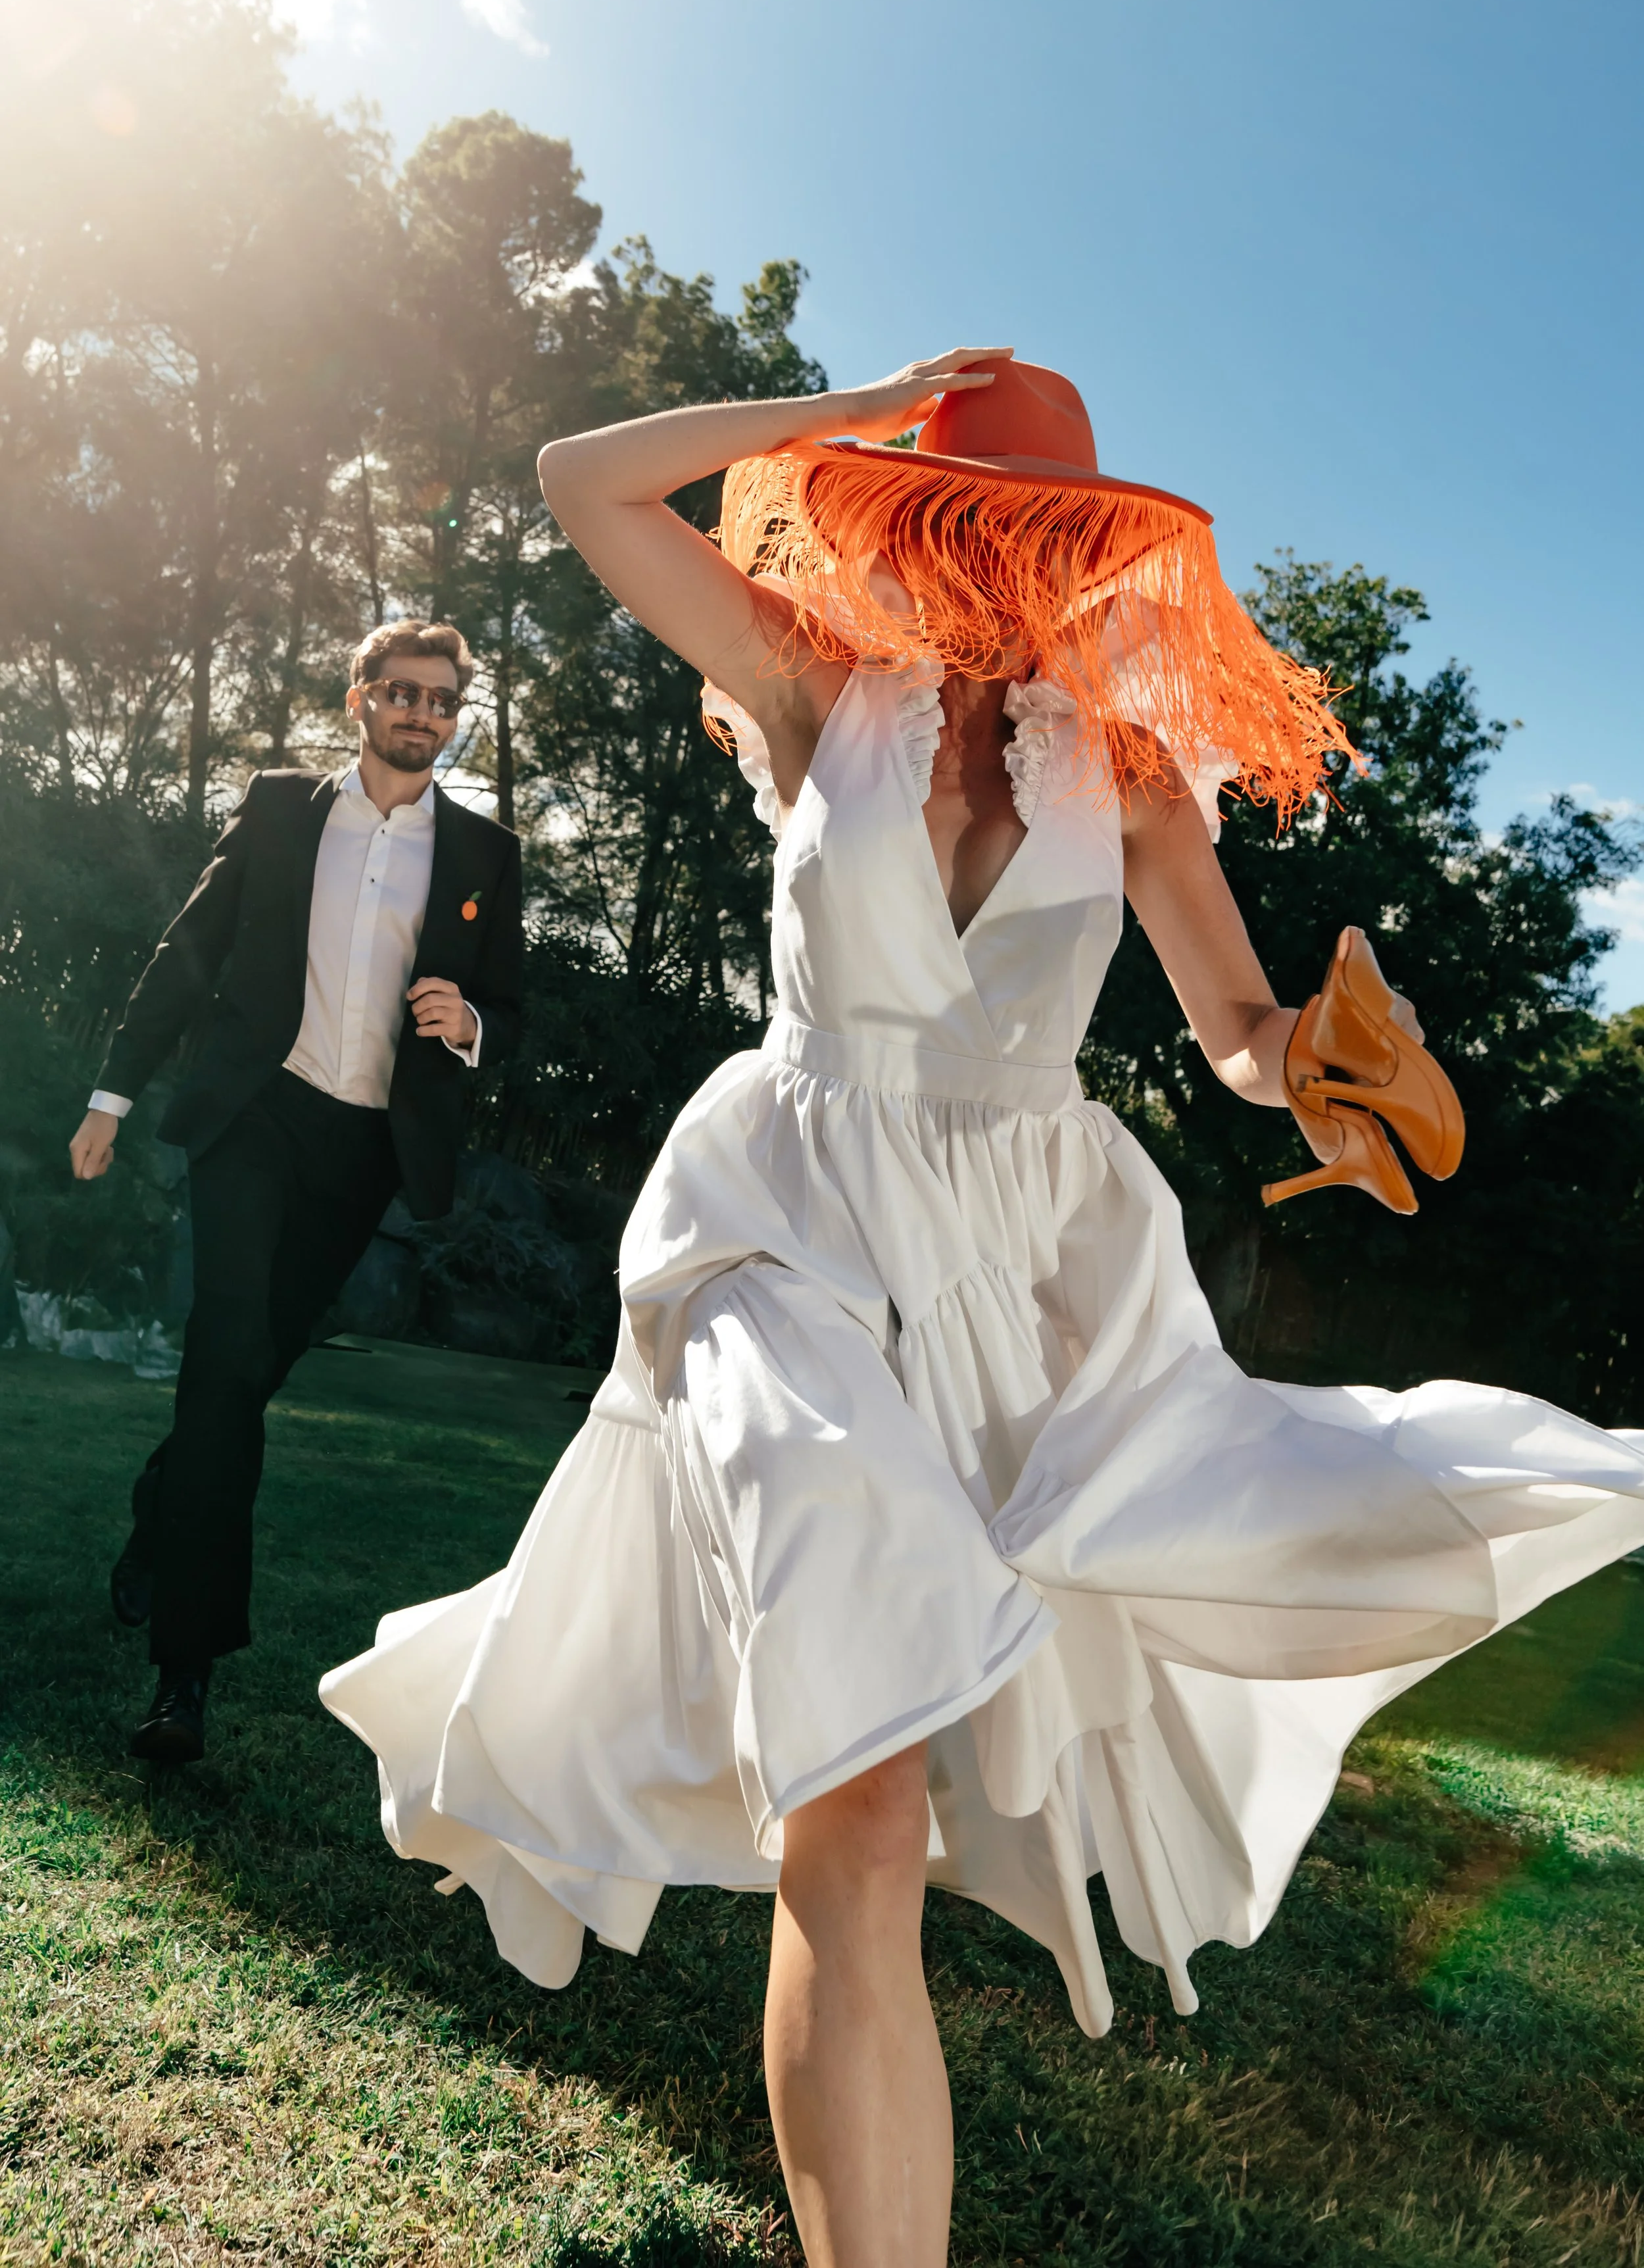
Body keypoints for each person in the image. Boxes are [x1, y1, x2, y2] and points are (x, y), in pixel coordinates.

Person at [320, 356, 1644, 2268]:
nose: (1009, 568)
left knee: (1276, 1501)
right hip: (782, 1221)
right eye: (973, 520)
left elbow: (1239, 1037)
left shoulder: (1119, 770)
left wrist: (1335, 1074)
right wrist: (844, 399)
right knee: (846, 1818)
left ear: (1083, 559)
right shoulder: (804, 689)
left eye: (1050, 541)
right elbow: (580, 480)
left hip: (1027, 1257)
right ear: (904, 517)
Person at [72, 622, 524, 1766]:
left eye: (443, 699)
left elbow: (512, 1009)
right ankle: (186, 1675)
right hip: (254, 1120)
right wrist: (112, 1095)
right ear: (361, 699)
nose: (424, 712)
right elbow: (190, 949)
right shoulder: (282, 809)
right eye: (404, 692)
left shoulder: (483, 854)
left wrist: (468, 1026)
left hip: (364, 1149)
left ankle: (159, 1508)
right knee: (224, 1360)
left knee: (245, 1381)